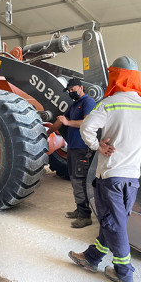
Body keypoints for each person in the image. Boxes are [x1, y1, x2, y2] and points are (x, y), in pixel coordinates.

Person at [68, 56, 141, 282]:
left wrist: (98, 146)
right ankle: (92, 257)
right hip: (132, 177)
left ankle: (123, 273)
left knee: (114, 225)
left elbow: (87, 127)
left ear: (116, 76)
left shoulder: (110, 103)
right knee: (115, 221)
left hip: (111, 176)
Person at [47, 78, 97, 228]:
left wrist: (68, 123)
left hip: (83, 148)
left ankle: (85, 216)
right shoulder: (74, 105)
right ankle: (80, 208)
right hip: (73, 148)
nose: (70, 92)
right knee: (75, 180)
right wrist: (46, 132)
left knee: (80, 181)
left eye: (72, 89)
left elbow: (87, 122)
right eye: (68, 91)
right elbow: (61, 121)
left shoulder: (88, 102)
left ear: (81, 87)